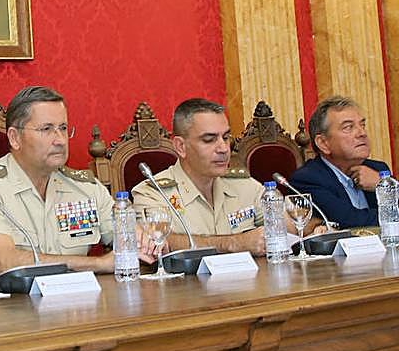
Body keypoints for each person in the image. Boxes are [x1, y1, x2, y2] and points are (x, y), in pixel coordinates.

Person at [0, 86, 160, 275]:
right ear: (15, 138)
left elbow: (132, 239)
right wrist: (99, 263)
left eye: (63, 128)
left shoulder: (86, 188)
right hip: (9, 306)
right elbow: (6, 262)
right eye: (47, 129)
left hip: (78, 305)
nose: (60, 140)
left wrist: (142, 239)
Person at [131, 98, 312, 256]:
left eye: (225, 138)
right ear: (180, 147)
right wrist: (235, 243)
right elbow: (160, 242)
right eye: (209, 140)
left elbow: (290, 226)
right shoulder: (152, 193)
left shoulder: (244, 185)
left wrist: (312, 229)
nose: (223, 148)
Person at [288, 95, 399, 228]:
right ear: (323, 143)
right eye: (348, 127)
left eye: (362, 125)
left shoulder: (377, 169)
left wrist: (385, 185)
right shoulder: (307, 179)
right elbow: (349, 221)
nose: (361, 133)